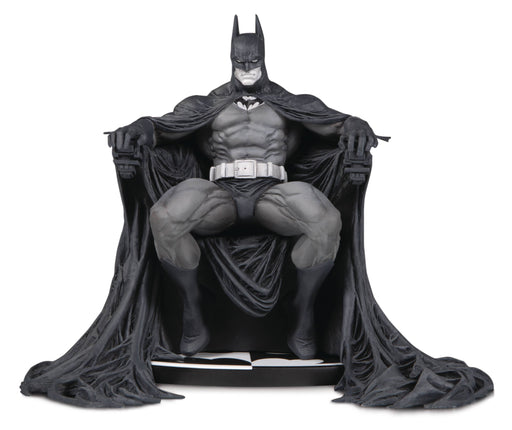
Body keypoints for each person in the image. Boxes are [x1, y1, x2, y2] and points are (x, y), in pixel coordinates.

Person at [108, 15, 377, 359]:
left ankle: (303, 310)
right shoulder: (206, 105)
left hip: (272, 191)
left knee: (326, 223)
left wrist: (356, 124)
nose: (247, 67)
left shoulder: (291, 103)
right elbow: (163, 127)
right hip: (221, 192)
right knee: (165, 217)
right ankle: (192, 307)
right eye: (240, 61)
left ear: (264, 57)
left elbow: (336, 123)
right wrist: (139, 128)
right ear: (230, 59)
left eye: (253, 60)